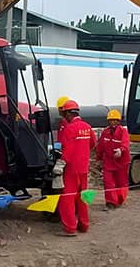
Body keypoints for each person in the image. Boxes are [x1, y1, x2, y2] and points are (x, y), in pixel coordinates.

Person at [57, 99, 97, 236]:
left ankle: (70, 228)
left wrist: (60, 164)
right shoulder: (87, 127)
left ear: (68, 114)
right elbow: (92, 144)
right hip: (83, 168)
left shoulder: (69, 129)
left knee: (67, 198)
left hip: (71, 169)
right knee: (83, 196)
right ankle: (84, 225)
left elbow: (67, 150)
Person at [96, 109, 130, 210]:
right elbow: (100, 147)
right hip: (108, 162)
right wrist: (98, 159)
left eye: (115, 120)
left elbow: (125, 143)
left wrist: (121, 150)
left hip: (121, 163)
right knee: (108, 182)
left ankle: (120, 199)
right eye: (111, 120)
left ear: (119, 121)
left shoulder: (123, 131)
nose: (113, 122)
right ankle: (111, 202)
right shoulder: (105, 132)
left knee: (121, 183)